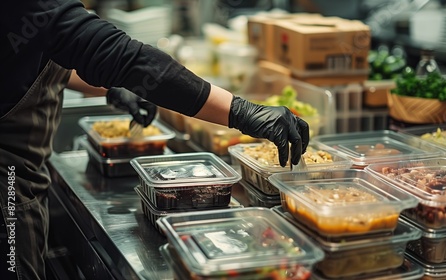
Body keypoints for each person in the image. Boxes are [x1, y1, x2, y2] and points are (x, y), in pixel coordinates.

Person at [0, 1, 309, 279]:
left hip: (22, 174)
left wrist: (113, 89)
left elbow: (46, 55)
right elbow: (125, 57)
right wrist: (241, 112)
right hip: (8, 184)